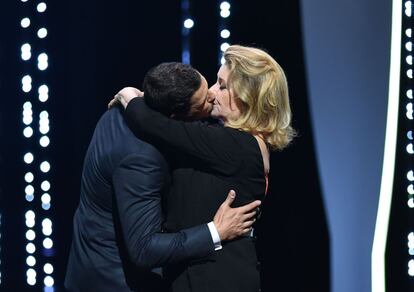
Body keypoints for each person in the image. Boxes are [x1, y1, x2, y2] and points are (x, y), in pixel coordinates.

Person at [65, 62, 261, 292]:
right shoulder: (141, 157)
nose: (212, 97)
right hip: (115, 282)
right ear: (174, 116)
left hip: (85, 270)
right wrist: (215, 232)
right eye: (202, 102)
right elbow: (144, 248)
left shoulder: (118, 113)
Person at [114, 45, 295, 292]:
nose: (210, 92)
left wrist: (130, 97)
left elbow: (150, 123)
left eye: (222, 86)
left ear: (246, 97)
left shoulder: (237, 146)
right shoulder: (238, 144)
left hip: (217, 281)